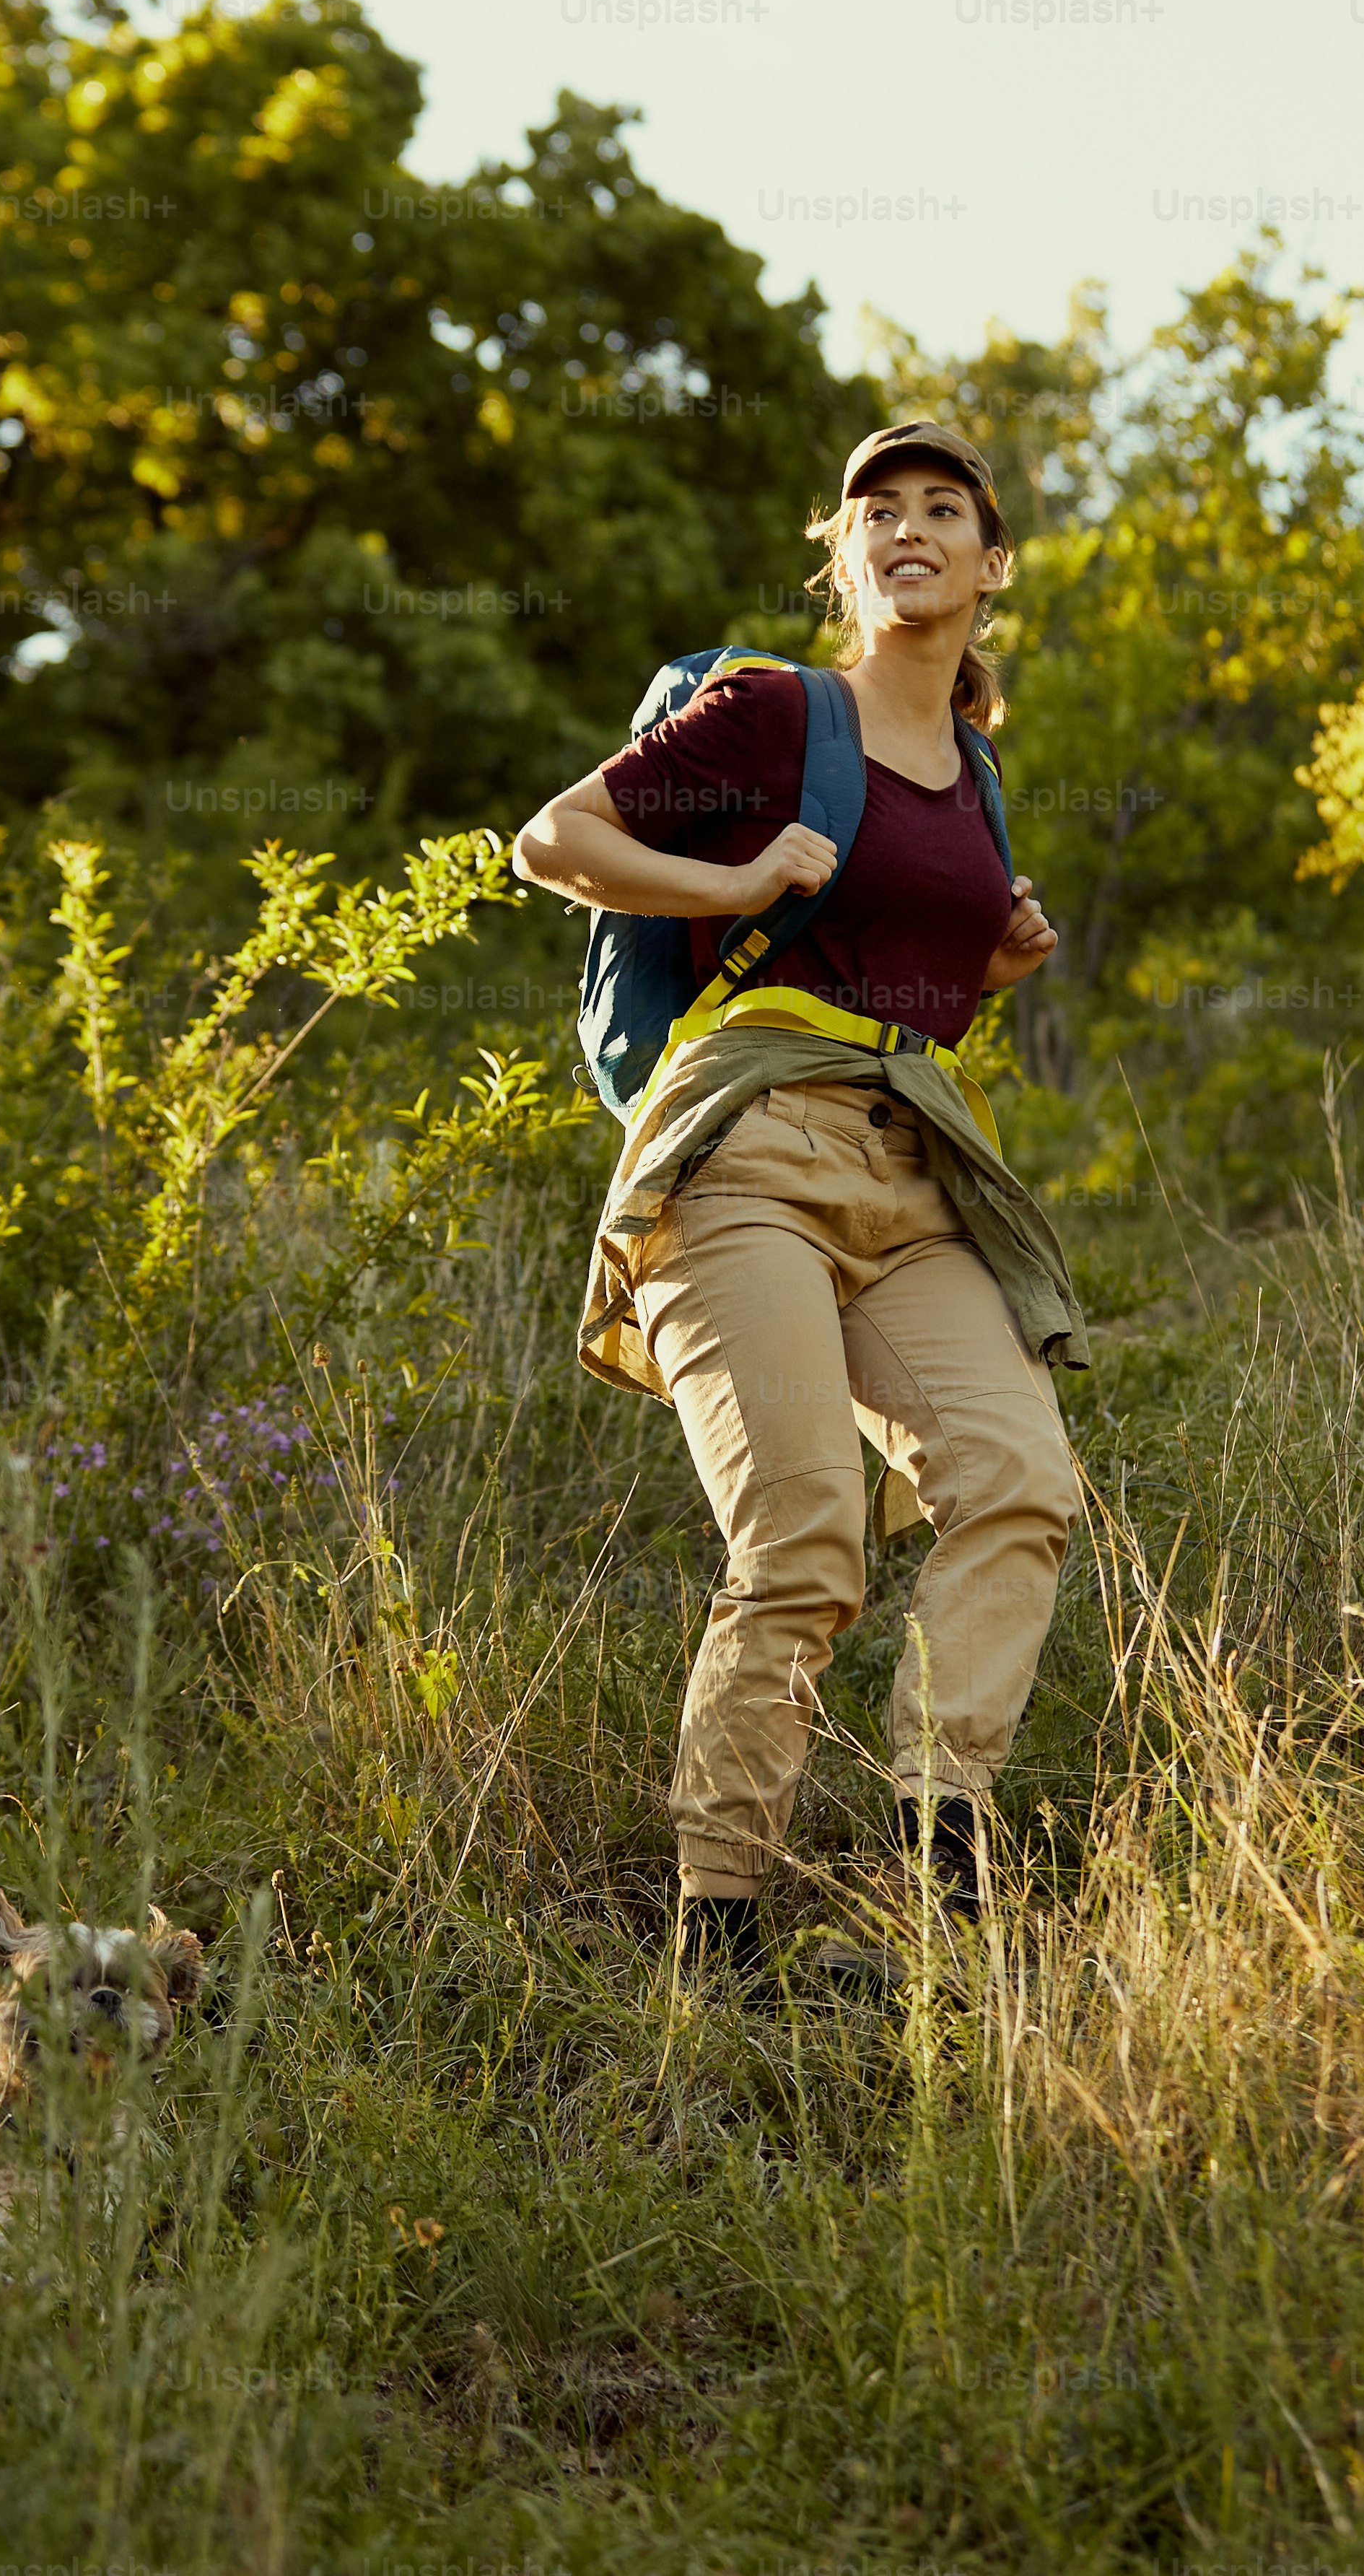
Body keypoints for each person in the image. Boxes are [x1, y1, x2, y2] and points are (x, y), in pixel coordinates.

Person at [510, 422, 1090, 1986]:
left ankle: (937, 1869)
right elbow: (553, 841)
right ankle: (723, 1933)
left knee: (1019, 1479)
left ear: (991, 563)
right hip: (746, 1151)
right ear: (846, 559)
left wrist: (997, 964)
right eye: (878, 512)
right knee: (806, 1543)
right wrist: (734, 879)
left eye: (942, 510)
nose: (909, 529)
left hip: (909, 1163)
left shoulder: (972, 774)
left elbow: (901, 981)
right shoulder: (777, 712)